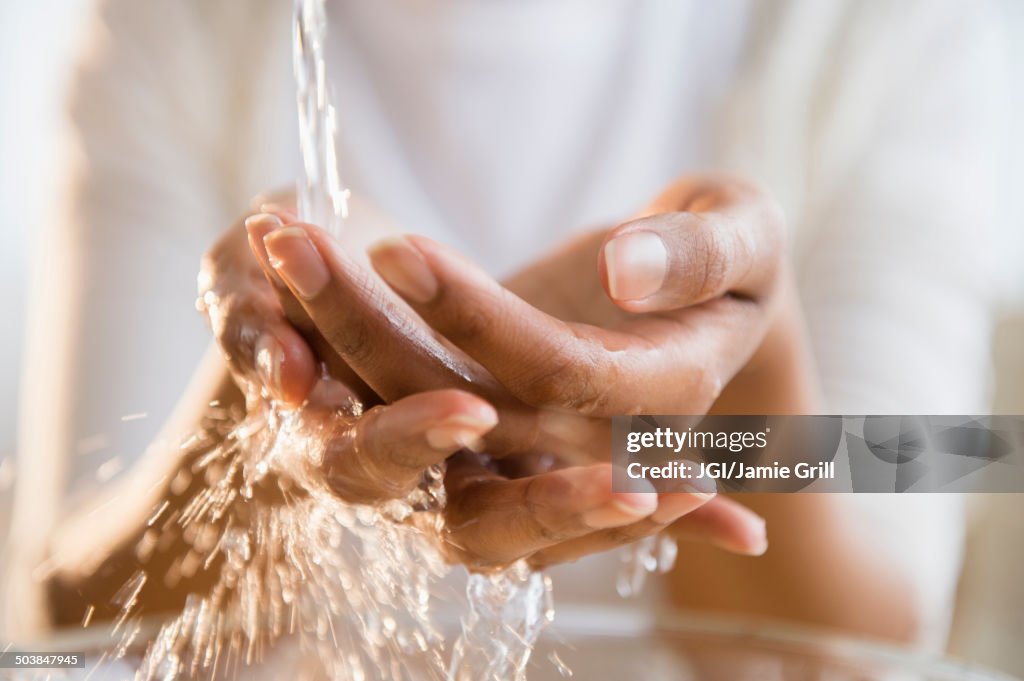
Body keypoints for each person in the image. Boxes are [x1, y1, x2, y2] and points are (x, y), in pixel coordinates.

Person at [4, 0, 1006, 662]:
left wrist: (718, 408)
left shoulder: (901, 26)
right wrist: (268, 401)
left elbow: (931, 496)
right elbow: (61, 615)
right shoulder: (177, 24)